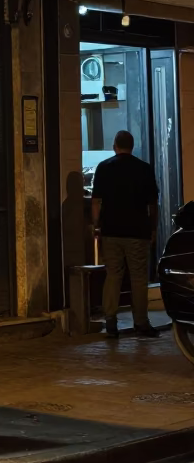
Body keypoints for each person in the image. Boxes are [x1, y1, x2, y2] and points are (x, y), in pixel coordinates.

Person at [91, 129, 161, 338]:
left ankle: (110, 322)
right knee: (139, 278)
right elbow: (153, 204)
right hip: (137, 231)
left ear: (115, 145)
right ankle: (141, 322)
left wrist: (97, 226)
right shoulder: (144, 169)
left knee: (113, 275)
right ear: (132, 146)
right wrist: (153, 228)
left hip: (111, 231)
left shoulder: (104, 168)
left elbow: (96, 202)